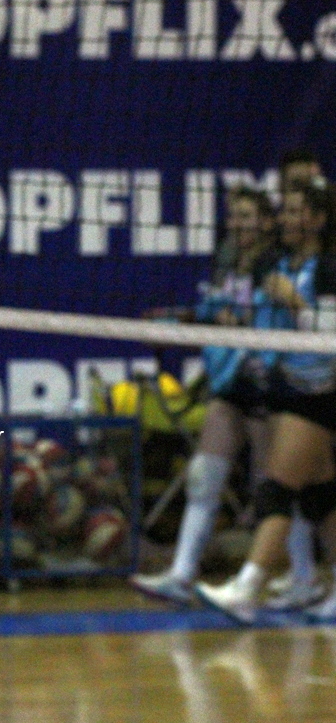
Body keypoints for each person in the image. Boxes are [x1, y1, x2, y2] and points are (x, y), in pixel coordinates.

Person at [130, 188, 323, 605]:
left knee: (281, 483)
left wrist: (257, 322)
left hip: (273, 380)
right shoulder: (227, 261)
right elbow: (214, 310)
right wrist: (184, 319)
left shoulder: (279, 263)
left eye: (246, 215)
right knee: (204, 475)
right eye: (233, 216)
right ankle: (182, 574)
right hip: (234, 380)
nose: (237, 224)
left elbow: (288, 319)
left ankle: (303, 576)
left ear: (267, 222)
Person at [198, 182, 336, 624]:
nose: (286, 219)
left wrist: (293, 300)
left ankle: (247, 586)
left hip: (318, 392)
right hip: (282, 385)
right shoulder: (272, 263)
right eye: (285, 211)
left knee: (277, 488)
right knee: (320, 496)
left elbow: (331, 334)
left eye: (297, 211)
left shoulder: (327, 269)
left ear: (318, 219)